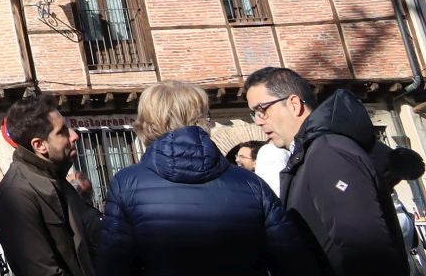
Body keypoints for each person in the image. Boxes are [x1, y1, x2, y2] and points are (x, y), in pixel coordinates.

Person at [94, 80, 319, 276]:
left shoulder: (126, 184)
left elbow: (114, 265)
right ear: (201, 117)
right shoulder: (251, 184)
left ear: (148, 122)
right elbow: (292, 260)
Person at [244, 65, 410, 276]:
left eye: (262, 109)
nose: (258, 121)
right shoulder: (310, 155)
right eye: (254, 113)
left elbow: (367, 251)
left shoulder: (328, 153)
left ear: (294, 104)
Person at [0, 92, 94, 276]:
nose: (74, 135)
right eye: (62, 132)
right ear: (39, 145)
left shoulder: (55, 176)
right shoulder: (16, 196)